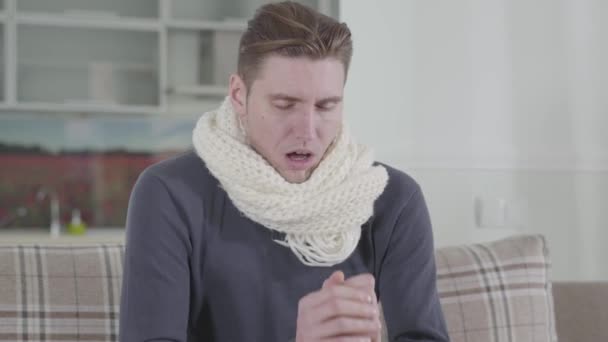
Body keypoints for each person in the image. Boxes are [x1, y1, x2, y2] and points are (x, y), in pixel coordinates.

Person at [119, 2, 449, 341]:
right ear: (239, 95)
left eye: (325, 106)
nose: (307, 131)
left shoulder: (394, 200)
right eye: (284, 105)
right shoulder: (169, 194)